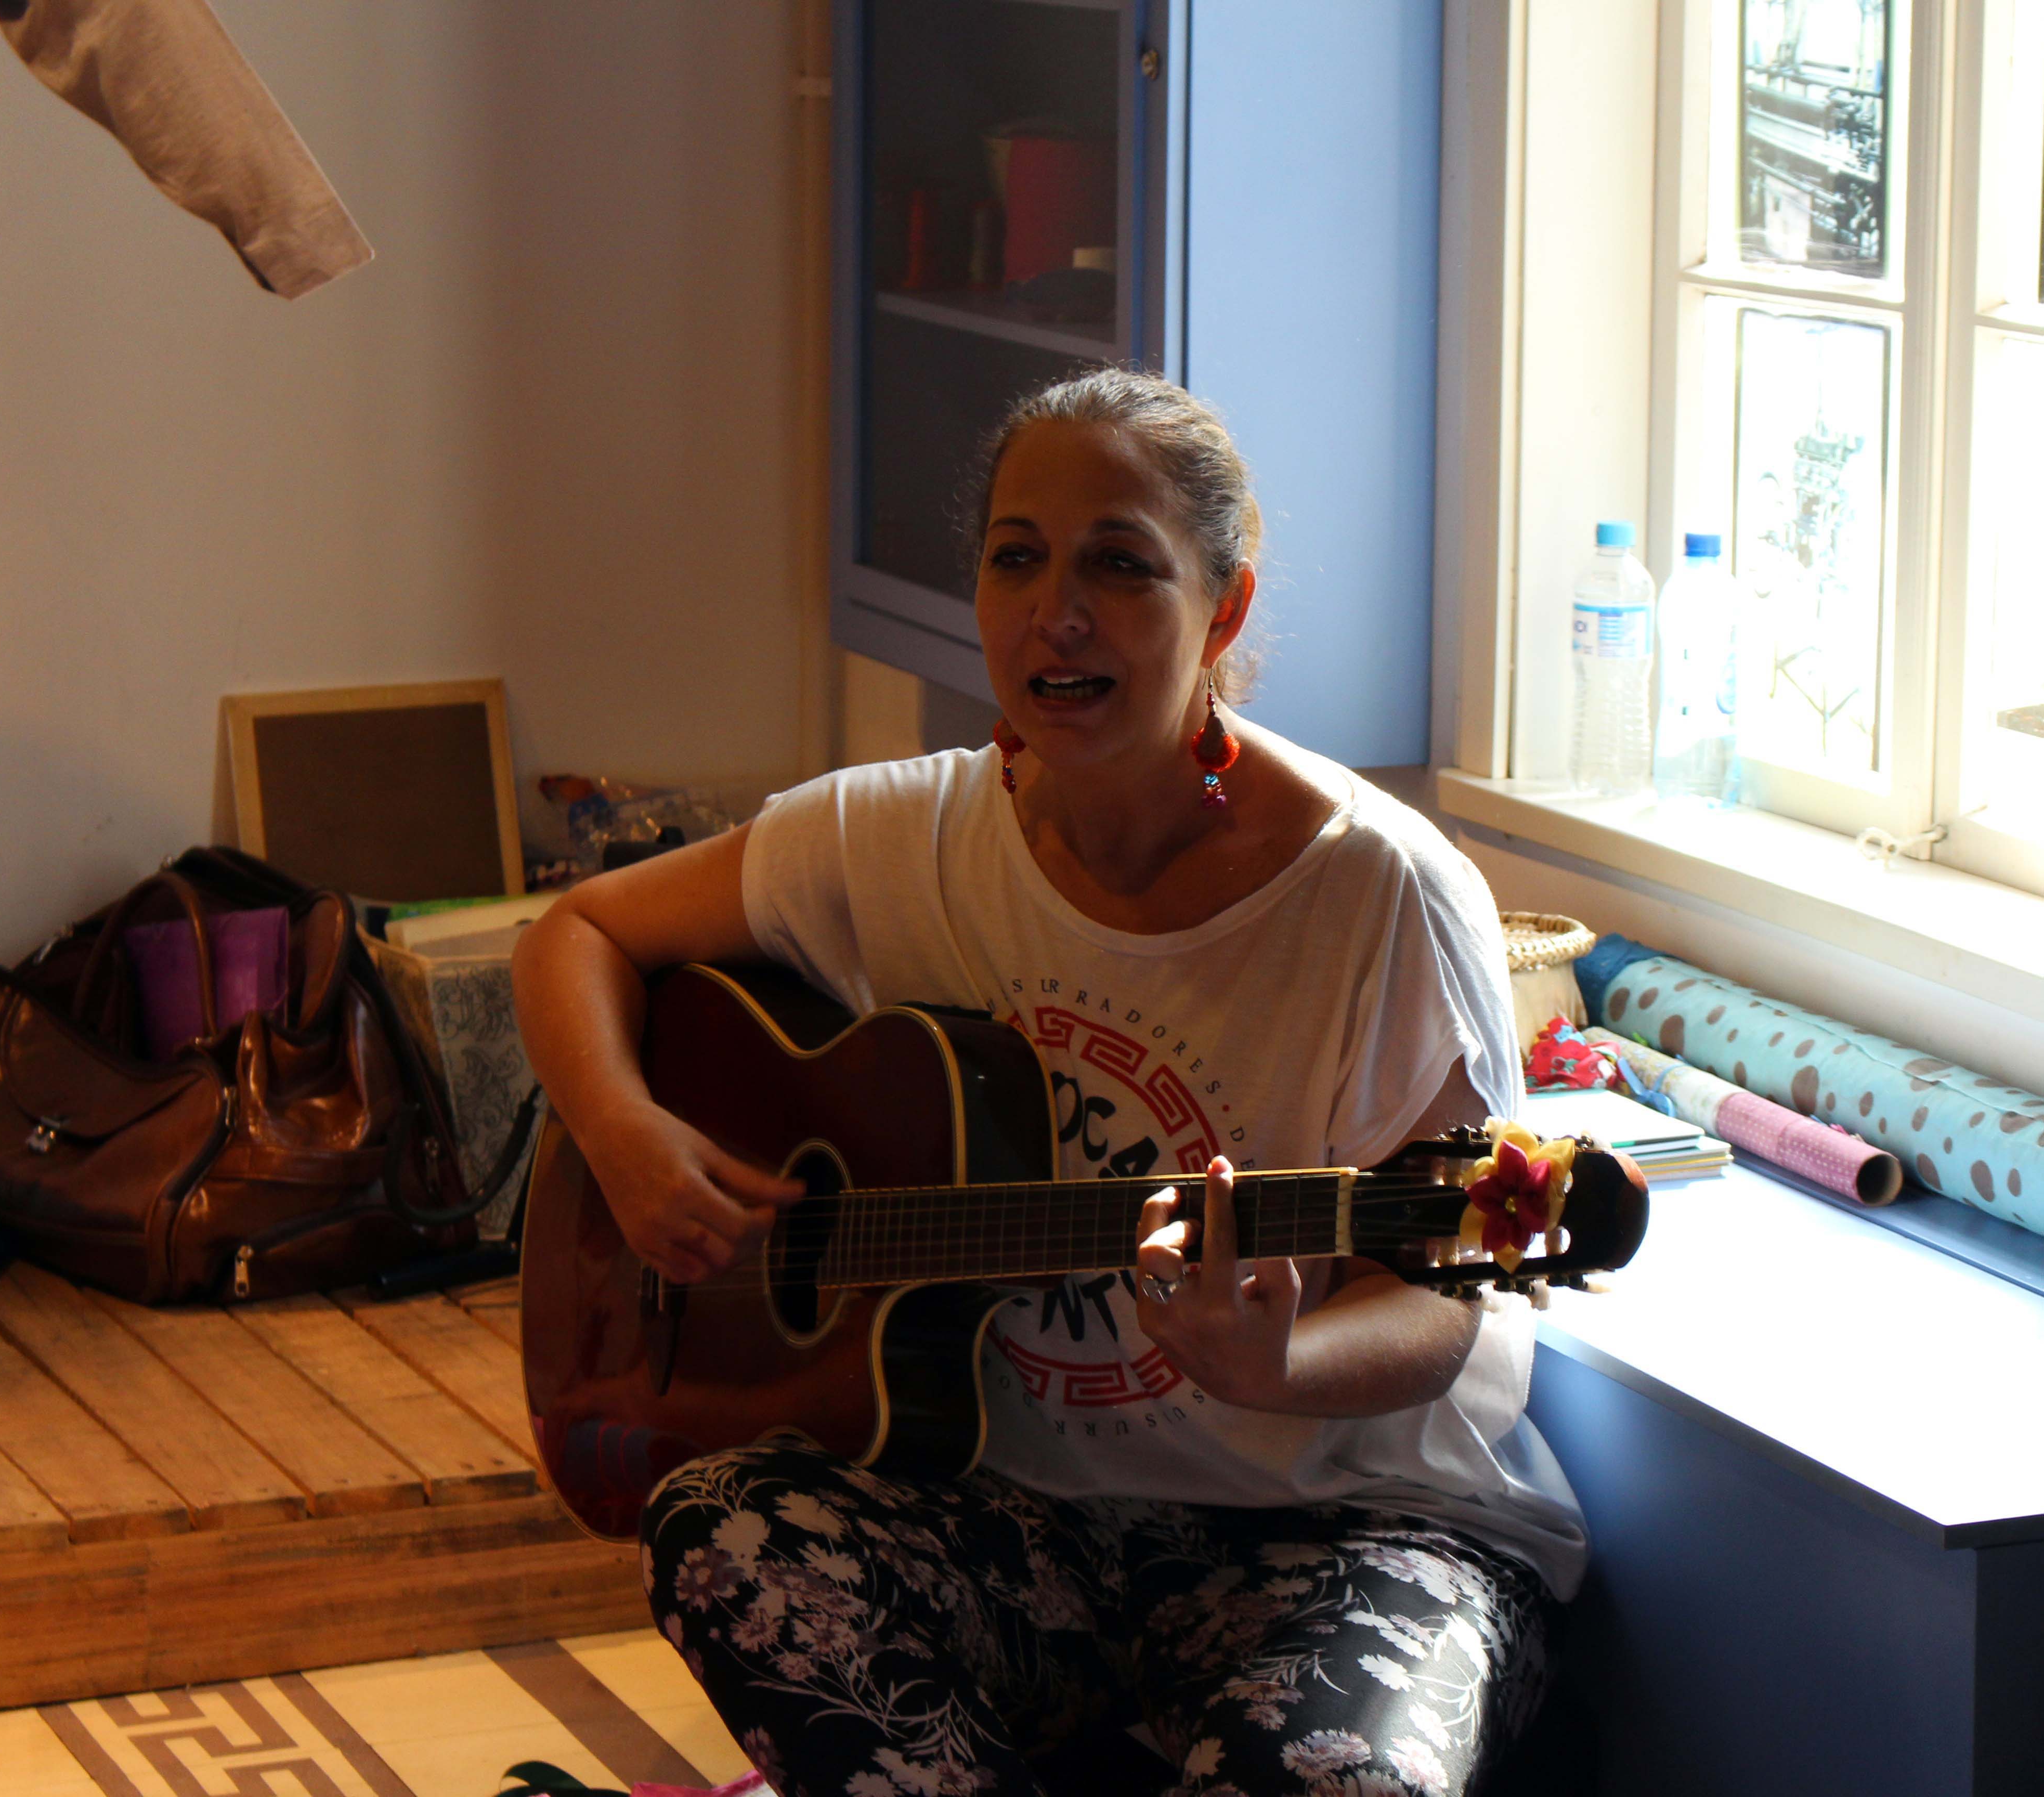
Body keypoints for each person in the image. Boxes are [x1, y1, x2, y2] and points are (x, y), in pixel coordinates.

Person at [514, 369, 1591, 1797]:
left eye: (1121, 566)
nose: (1057, 614)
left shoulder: (1382, 893)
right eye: (1017, 558)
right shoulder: (897, 839)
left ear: (1224, 610)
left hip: (1363, 1530)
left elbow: (1452, 1301)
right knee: (725, 1535)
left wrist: (1277, 1366)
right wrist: (625, 1132)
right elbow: (577, 935)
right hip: (1027, 1529)